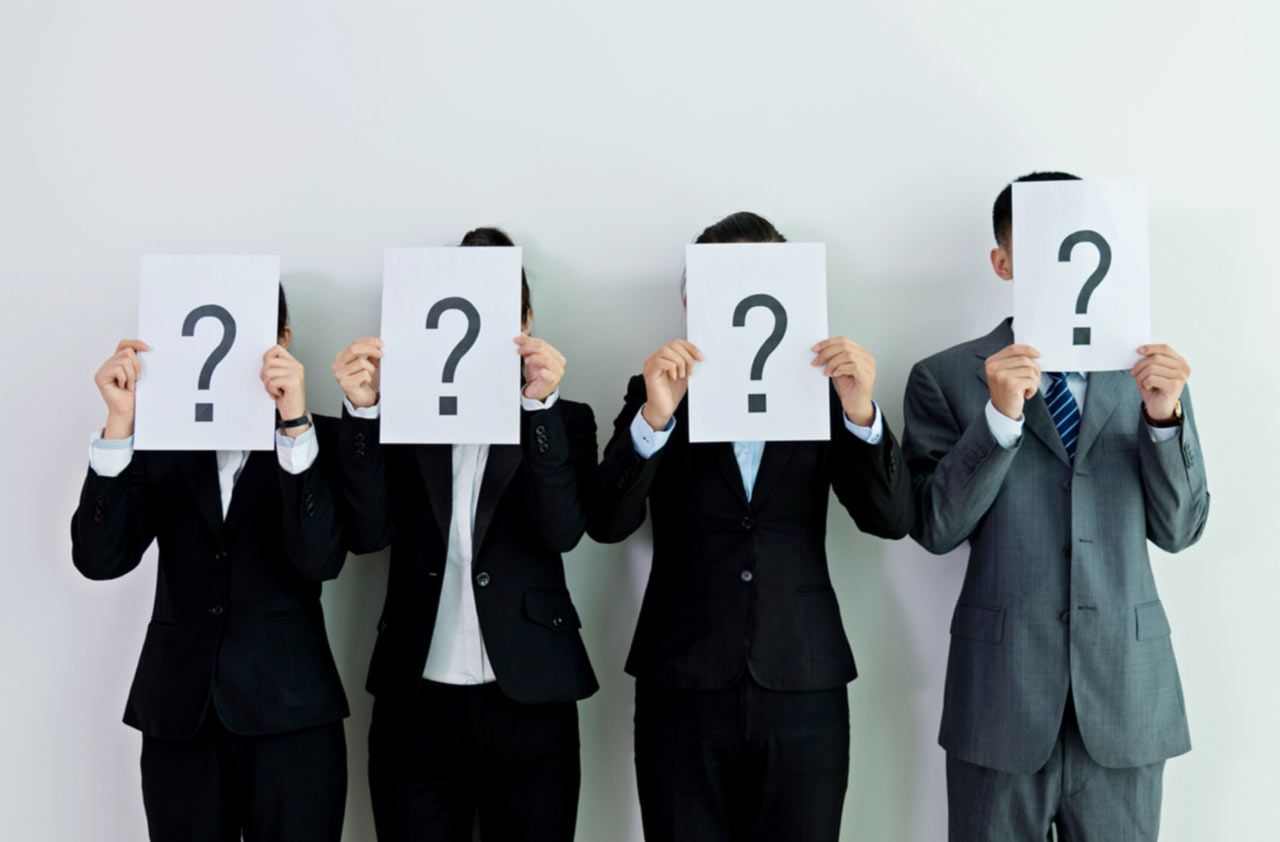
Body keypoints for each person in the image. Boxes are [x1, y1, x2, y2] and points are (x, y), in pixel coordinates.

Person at [902, 171, 1209, 841]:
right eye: (1039, 248)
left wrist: (1164, 420)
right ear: (1003, 263)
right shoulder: (946, 377)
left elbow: (1181, 528)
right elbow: (933, 527)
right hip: (999, 699)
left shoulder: (1152, 374)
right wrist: (999, 422)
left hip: (1126, 697)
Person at [590, 211, 913, 841]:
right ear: (692, 301)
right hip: (680, 680)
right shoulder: (655, 391)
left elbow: (891, 518)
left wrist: (860, 410)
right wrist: (655, 419)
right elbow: (606, 521)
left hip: (803, 677)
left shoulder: (827, 395)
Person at [332, 227, 598, 841]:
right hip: (415, 701)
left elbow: (563, 531)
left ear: (525, 319)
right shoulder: (399, 417)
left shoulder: (564, 419)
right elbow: (368, 534)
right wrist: (365, 415)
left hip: (532, 698)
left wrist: (539, 407)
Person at [70, 286, 350, 842]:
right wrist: (120, 424)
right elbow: (99, 560)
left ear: (283, 341)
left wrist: (294, 424)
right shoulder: (159, 440)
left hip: (292, 714)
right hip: (180, 713)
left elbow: (320, 559)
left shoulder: (325, 438)